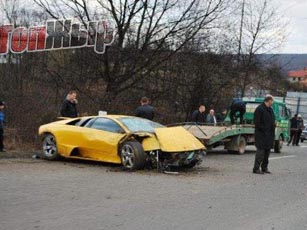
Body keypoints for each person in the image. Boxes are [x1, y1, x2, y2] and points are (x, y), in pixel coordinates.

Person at [253, 95, 275, 174]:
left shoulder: (270, 109)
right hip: (261, 135)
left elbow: (271, 121)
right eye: (272, 100)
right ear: (269, 100)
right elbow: (257, 122)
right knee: (260, 152)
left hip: (269, 135)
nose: (273, 102)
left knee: (267, 153)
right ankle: (256, 168)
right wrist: (264, 129)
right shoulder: (260, 109)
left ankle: (264, 168)